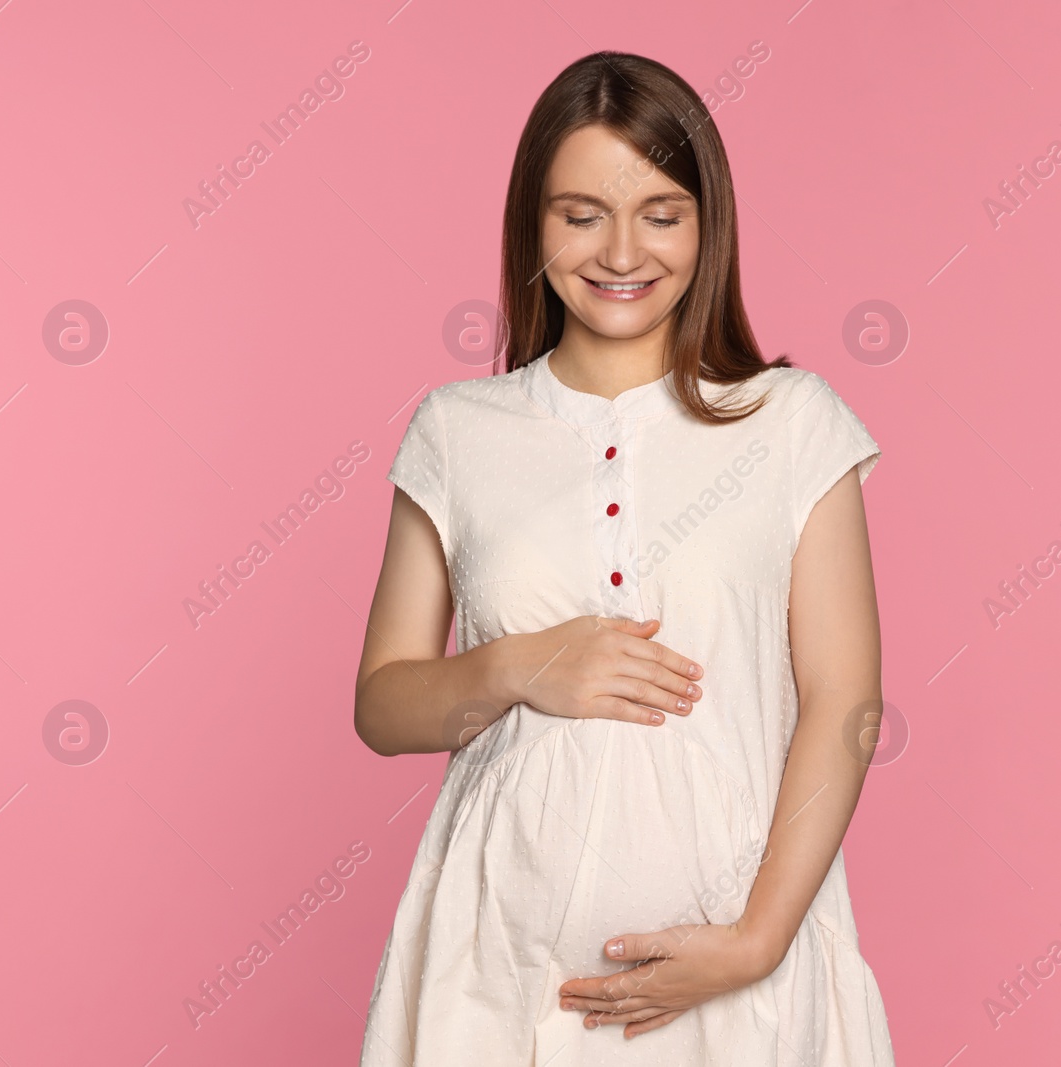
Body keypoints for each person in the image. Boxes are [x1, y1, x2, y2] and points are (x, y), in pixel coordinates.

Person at [354, 51, 895, 1066]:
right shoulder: (458, 430)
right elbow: (383, 705)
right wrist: (519, 665)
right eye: (579, 213)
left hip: (739, 971)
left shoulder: (790, 424)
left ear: (706, 225)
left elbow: (845, 701)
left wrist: (754, 941)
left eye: (659, 211)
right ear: (533, 226)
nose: (619, 249)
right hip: (496, 973)